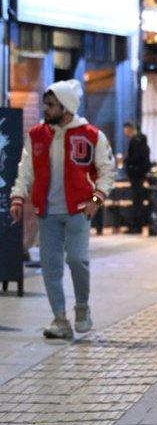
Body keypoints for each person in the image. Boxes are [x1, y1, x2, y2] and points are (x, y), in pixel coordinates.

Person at [10, 80, 115, 338]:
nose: (45, 109)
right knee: (50, 266)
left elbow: (107, 171)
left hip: (79, 210)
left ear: (66, 107)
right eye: (45, 104)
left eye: (51, 105)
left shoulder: (91, 135)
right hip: (47, 212)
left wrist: (96, 200)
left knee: (78, 260)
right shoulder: (36, 135)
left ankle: (82, 308)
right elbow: (26, 170)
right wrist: (17, 196)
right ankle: (59, 319)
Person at [122, 121, 151, 234]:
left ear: (130, 129)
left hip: (136, 174)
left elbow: (136, 157)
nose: (125, 134)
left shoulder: (136, 141)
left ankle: (136, 226)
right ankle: (137, 225)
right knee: (138, 200)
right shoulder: (142, 140)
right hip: (140, 174)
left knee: (137, 200)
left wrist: (126, 160)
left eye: (126, 131)